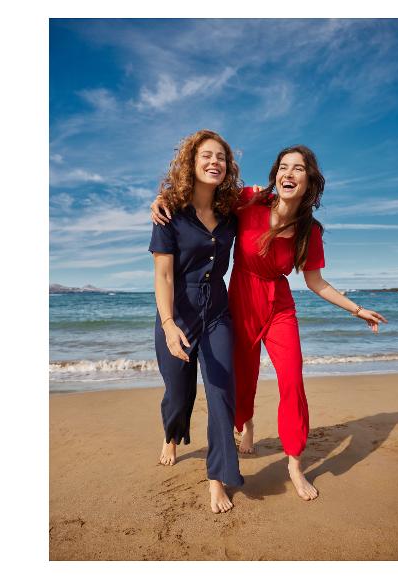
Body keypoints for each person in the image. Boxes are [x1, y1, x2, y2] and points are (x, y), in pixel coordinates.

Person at [152, 145, 388, 501]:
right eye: (283, 167)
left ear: (309, 180)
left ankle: (294, 462)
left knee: (292, 378)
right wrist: (161, 199)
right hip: (241, 300)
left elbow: (316, 282)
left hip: (279, 307)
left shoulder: (310, 230)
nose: (288, 173)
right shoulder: (249, 201)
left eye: (297, 168)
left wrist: (356, 309)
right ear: (276, 174)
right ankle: (244, 425)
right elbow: (203, 195)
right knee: (241, 380)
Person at [149, 129, 245, 514]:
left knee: (221, 391)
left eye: (220, 157)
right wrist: (169, 324)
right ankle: (172, 434)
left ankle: (217, 478)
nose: (214, 162)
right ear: (191, 162)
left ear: (228, 166)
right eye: (206, 155)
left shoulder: (230, 211)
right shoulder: (169, 210)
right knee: (177, 391)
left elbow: (272, 195)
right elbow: (164, 275)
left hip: (217, 312)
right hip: (178, 312)